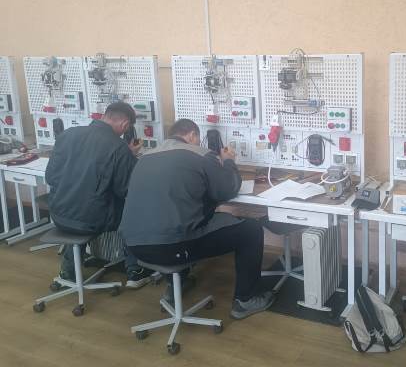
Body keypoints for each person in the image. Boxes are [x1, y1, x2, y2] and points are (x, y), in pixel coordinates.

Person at [119, 119, 275, 319]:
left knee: (174, 222)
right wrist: (228, 161)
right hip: (172, 247)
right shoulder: (201, 154)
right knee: (250, 230)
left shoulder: (145, 157)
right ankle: (246, 300)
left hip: (135, 248)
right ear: (192, 135)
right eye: (198, 138)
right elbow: (227, 190)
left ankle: (176, 286)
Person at [45, 101, 153, 289]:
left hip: (58, 214)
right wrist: (129, 158)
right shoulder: (117, 147)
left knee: (78, 205)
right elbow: (126, 189)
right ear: (125, 125)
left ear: (104, 116)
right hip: (91, 220)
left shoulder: (67, 135)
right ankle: (135, 271)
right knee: (134, 210)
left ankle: (68, 271)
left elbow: (51, 177)